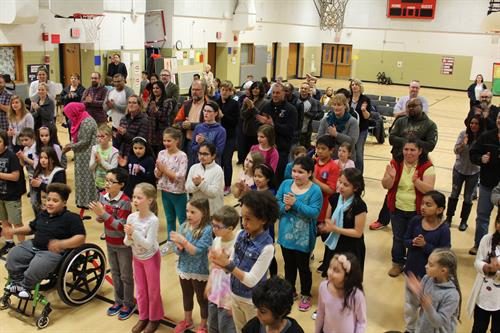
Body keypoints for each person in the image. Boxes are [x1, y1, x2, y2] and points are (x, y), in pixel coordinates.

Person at [208, 190, 279, 332]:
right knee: (241, 330)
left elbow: (252, 280)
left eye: (248, 219)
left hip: (252, 301)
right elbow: (232, 262)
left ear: (263, 220)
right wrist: (221, 264)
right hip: (234, 295)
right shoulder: (240, 234)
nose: (243, 223)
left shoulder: (267, 247)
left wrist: (228, 265)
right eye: (242, 218)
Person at [4, 183, 85, 299]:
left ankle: (26, 286)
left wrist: (61, 243)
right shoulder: (43, 213)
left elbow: (80, 238)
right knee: (13, 255)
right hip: (34, 245)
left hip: (52, 251)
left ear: (64, 203)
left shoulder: (72, 218)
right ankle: (17, 283)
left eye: (55, 201)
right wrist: (14, 231)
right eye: (48, 199)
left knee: (36, 266)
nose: (50, 203)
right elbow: (31, 228)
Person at [383, 138, 436, 277]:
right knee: (398, 238)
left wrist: (416, 181)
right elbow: (385, 185)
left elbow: (429, 190)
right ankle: (397, 263)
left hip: (417, 212)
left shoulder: (427, 167)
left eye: (413, 149)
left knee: (416, 239)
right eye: (406, 149)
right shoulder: (395, 163)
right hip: (397, 209)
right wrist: (391, 178)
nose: (409, 152)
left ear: (420, 151)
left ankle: (413, 265)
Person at [277, 156, 322, 311]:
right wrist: (285, 208)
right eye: (294, 171)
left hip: (304, 238)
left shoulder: (315, 190)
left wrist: (295, 203)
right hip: (285, 236)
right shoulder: (285, 184)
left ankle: (305, 294)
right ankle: (291, 292)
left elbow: (314, 213)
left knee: (303, 267)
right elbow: (276, 205)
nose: (296, 175)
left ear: (309, 173)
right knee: (288, 266)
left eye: (300, 172)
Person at [89, 167, 135, 320]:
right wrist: (100, 217)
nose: (106, 183)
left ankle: (128, 303)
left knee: (126, 276)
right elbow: (105, 219)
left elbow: (121, 226)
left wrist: (103, 214)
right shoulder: (103, 196)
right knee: (115, 273)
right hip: (109, 241)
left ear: (121, 184)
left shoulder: (125, 202)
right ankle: (118, 301)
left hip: (123, 245)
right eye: (106, 180)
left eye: (111, 181)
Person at [403, 191, 451, 332]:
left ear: (440, 209)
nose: (423, 207)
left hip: (431, 277)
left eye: (428, 204)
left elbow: (444, 254)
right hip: (412, 271)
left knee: (427, 307)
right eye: (422, 203)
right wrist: (412, 242)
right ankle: (410, 329)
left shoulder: (444, 229)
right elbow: (405, 240)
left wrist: (425, 246)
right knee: (410, 305)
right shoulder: (415, 221)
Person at [124, 183, 164, 333]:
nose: (135, 200)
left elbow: (148, 244)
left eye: (139, 197)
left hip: (151, 258)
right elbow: (126, 242)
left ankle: (154, 318)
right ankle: (143, 316)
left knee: (153, 291)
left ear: (150, 200)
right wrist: (129, 236)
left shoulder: (152, 220)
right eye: (134, 196)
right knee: (140, 290)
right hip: (137, 257)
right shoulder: (131, 217)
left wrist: (133, 234)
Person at [170, 198, 213, 333]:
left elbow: (198, 252)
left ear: (204, 213)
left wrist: (183, 242)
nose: (188, 214)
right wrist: (178, 246)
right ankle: (188, 321)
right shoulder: (183, 226)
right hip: (184, 268)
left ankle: (204, 325)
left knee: (201, 299)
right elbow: (177, 249)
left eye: (193, 212)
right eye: (187, 211)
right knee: (186, 295)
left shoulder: (207, 230)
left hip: (199, 271)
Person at [320, 168, 367, 277]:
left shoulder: (359, 205)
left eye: (346, 185)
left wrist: (335, 229)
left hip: (351, 247)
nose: (340, 186)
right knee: (332, 275)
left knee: (348, 279)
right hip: (335, 243)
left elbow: (357, 232)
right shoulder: (335, 198)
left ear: (355, 188)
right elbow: (328, 219)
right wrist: (325, 226)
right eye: (340, 182)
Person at [406, 248, 462, 333]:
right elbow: (416, 304)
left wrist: (428, 306)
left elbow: (438, 322)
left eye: (430, 265)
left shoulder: (452, 295)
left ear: (443, 270)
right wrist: (415, 293)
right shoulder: (427, 278)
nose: (426, 266)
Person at [444, 115, 484, 231]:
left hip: (473, 172)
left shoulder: (483, 138)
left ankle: (464, 221)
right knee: (454, 194)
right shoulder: (463, 134)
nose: (473, 125)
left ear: (480, 125)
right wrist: (463, 144)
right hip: (459, 169)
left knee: (468, 198)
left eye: (476, 123)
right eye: (471, 123)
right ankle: (449, 218)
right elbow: (456, 150)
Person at [469, 112, 500, 255]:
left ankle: (497, 250)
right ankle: (479, 246)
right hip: (487, 184)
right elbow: (473, 153)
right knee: (482, 217)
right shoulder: (486, 136)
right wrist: (481, 159)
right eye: (499, 118)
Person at [154, 128, 188, 255]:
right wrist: (159, 170)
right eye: (164, 140)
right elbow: (157, 174)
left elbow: (180, 176)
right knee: (169, 218)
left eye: (169, 140)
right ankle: (170, 241)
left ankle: (184, 243)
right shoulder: (162, 153)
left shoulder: (182, 156)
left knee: (182, 219)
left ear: (177, 141)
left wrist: (164, 169)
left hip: (178, 193)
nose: (166, 143)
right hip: (165, 190)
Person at [206, 206, 239, 333]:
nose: (214, 229)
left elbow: (235, 270)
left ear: (230, 228)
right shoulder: (216, 240)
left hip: (228, 296)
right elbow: (213, 267)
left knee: (226, 327)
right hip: (215, 291)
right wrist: (209, 283)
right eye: (213, 225)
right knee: (213, 326)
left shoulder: (236, 244)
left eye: (218, 227)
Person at [314, 253, 366, 333]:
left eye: (336, 270)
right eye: (330, 267)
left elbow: (361, 322)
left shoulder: (356, 295)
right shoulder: (323, 286)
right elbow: (320, 313)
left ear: (347, 276)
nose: (330, 272)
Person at [257, 82, 298, 184]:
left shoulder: (291, 109)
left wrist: (273, 125)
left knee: (276, 178)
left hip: (281, 149)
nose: (275, 95)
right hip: (265, 148)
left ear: (284, 94)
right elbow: (260, 127)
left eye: (278, 93)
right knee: (263, 176)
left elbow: (290, 129)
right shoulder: (266, 107)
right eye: (273, 92)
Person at [466, 214, 499, 333]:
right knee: (478, 327)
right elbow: (477, 262)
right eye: (499, 221)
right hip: (484, 296)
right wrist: (487, 267)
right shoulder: (487, 239)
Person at [62, 102, 98, 210]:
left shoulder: (87, 121)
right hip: (81, 154)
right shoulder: (79, 120)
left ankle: (89, 202)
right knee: (81, 178)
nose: (68, 117)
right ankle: (82, 201)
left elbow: (85, 141)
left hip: (88, 154)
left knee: (88, 178)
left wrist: (70, 147)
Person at [313, 136, 340, 273]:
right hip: (312, 207)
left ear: (331, 150)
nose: (319, 151)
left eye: (323, 149)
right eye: (318, 148)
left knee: (327, 239)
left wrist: (313, 180)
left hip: (324, 210)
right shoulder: (314, 162)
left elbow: (331, 189)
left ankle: (327, 263)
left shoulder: (334, 167)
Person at [0, 129, 27, 255]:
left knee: (16, 222)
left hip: (11, 196)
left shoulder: (11, 156)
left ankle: (23, 246)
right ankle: (9, 242)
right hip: (0, 196)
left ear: (5, 142)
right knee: (4, 221)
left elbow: (15, 176)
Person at [317, 93, 359, 162]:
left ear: (345, 106)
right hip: (327, 158)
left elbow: (352, 141)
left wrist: (336, 135)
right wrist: (328, 136)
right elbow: (319, 138)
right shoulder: (325, 120)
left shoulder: (352, 121)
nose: (336, 107)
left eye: (339, 105)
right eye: (334, 105)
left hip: (345, 160)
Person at [185, 142, 224, 215]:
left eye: (205, 154)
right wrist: (196, 185)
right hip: (197, 210)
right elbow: (188, 188)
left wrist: (201, 184)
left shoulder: (218, 170)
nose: (202, 157)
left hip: (213, 212)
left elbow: (214, 192)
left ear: (213, 156)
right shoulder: (194, 168)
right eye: (200, 153)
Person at [173, 80, 206, 163]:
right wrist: (182, 124)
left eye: (197, 90)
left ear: (204, 90)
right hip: (188, 143)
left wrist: (191, 125)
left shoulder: (209, 105)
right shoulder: (187, 104)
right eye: (193, 89)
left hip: (203, 144)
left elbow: (209, 125)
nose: (194, 92)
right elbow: (176, 122)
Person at [216, 80, 240, 195]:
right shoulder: (216, 102)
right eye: (223, 90)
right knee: (218, 162)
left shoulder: (234, 104)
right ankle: (218, 183)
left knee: (227, 161)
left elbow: (235, 122)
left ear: (231, 92)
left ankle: (227, 185)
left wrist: (223, 116)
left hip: (229, 136)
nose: (224, 92)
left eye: (227, 90)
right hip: (218, 137)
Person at [30, 146, 66, 214]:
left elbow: (58, 191)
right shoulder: (38, 170)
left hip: (55, 208)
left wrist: (40, 184)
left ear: (52, 159)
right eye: (41, 158)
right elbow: (36, 190)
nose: (43, 160)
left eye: (46, 158)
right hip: (41, 206)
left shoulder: (59, 172)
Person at [191, 100, 226, 165]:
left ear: (216, 113)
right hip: (199, 164)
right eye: (204, 110)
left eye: (209, 111)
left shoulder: (221, 130)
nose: (206, 113)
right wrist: (199, 144)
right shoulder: (198, 127)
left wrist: (204, 142)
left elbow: (219, 151)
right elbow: (193, 148)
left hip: (213, 164)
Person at [240, 81, 269, 161]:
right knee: (246, 155)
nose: (254, 90)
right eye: (253, 88)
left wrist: (252, 107)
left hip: (257, 133)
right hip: (246, 131)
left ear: (261, 90)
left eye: (257, 89)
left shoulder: (265, 102)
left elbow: (262, 117)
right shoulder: (247, 100)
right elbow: (242, 115)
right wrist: (249, 108)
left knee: (256, 157)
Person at [146, 81, 176, 155]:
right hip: (151, 133)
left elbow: (164, 118)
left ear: (162, 89)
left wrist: (156, 111)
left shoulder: (167, 101)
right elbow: (147, 114)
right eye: (153, 88)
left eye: (157, 88)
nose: (155, 90)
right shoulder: (151, 100)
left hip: (162, 133)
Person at [349, 79, 372, 173]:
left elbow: (367, 117)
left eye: (356, 85)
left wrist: (363, 110)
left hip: (361, 129)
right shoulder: (348, 98)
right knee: (348, 151)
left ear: (360, 87)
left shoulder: (365, 99)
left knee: (358, 153)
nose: (354, 86)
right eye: (352, 84)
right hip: (349, 129)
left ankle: (358, 175)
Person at [89, 124, 119, 192]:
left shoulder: (115, 152)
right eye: (98, 136)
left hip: (109, 185)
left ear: (110, 137)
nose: (100, 138)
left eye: (103, 136)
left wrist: (101, 161)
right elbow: (91, 167)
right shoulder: (94, 148)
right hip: (97, 183)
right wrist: (96, 162)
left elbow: (113, 170)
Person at [16, 128, 37, 214]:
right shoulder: (25, 149)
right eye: (22, 140)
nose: (24, 142)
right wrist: (21, 158)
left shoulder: (36, 148)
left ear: (33, 138)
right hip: (30, 177)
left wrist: (24, 158)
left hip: (38, 177)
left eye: (26, 140)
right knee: (32, 200)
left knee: (37, 201)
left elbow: (36, 164)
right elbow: (23, 164)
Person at [296, 82, 322, 149]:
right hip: (295, 131)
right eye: (302, 88)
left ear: (308, 90)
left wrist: (305, 113)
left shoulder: (314, 102)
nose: (303, 90)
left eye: (305, 88)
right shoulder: (295, 100)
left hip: (306, 131)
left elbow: (317, 116)